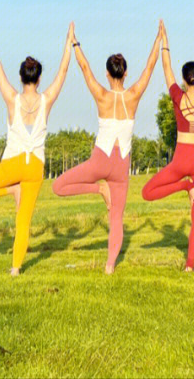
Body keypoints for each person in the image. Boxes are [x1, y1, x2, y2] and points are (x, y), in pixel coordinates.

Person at [51, 22, 164, 273]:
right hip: (121, 165)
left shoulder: (101, 95)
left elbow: (84, 68)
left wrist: (74, 42)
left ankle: (98, 189)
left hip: (99, 161)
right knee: (116, 219)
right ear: (125, 74)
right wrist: (158, 40)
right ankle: (110, 266)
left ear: (107, 74)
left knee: (57, 186)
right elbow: (149, 67)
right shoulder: (134, 94)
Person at [0, 23, 75, 274]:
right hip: (35, 167)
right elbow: (64, 71)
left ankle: (9, 190)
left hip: (13, 165)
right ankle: (15, 269)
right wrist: (69, 43)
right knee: (23, 220)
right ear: (39, 78)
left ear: (21, 77)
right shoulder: (47, 100)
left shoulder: (12, 99)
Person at [141, 22, 194, 271]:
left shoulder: (177, 97)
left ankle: (184, 187)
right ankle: (190, 264)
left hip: (181, 158)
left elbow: (165, 67)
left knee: (147, 192)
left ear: (184, 79)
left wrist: (163, 40)